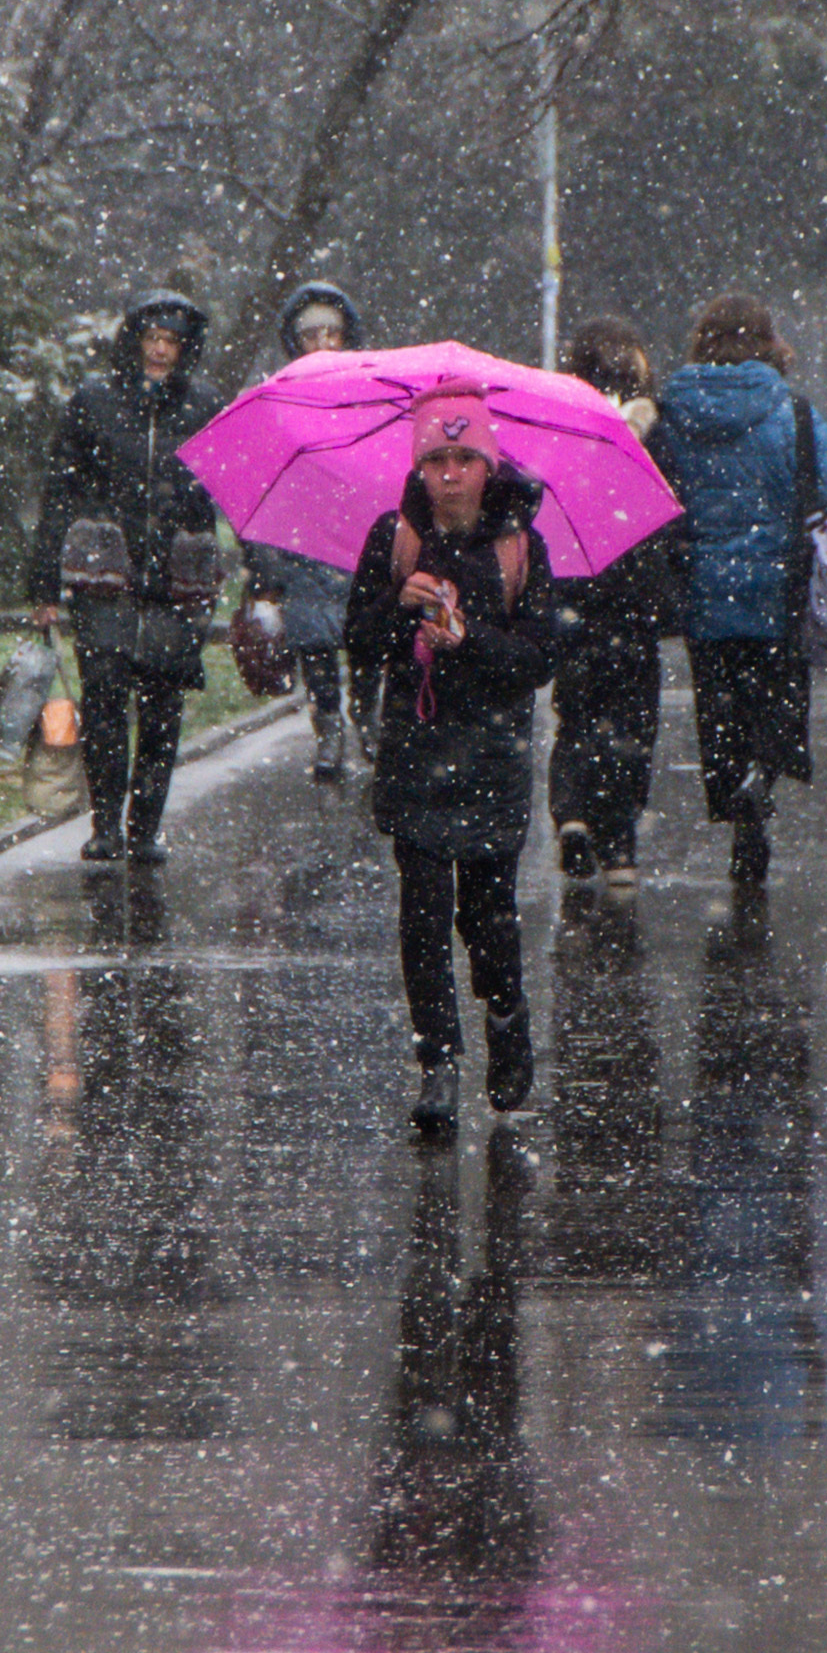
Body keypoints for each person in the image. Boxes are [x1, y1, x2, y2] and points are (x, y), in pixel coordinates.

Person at [345, 384, 572, 1134]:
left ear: (487, 463)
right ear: (418, 464)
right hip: (417, 757)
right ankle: (437, 1060)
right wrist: (399, 607)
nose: (450, 473)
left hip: (492, 762)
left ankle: (506, 1016)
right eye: (436, 458)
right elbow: (360, 641)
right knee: (421, 917)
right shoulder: (396, 538)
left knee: (487, 917)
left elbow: (538, 659)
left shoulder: (519, 547)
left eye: (464, 457)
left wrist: (469, 639)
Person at [652, 291, 827, 893]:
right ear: (768, 341)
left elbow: (654, 495)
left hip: (705, 585)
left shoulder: (673, 411)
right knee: (778, 694)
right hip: (779, 585)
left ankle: (733, 782)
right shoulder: (790, 410)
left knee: (719, 703)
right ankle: (763, 774)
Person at [33, 288, 221, 866]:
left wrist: (261, 579)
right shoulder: (94, 401)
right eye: (152, 339)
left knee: (163, 710)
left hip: (175, 583)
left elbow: (224, 493)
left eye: (171, 341)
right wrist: (43, 586)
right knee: (106, 702)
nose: (160, 351)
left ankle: (144, 830)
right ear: (134, 341)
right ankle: (106, 826)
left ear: (185, 349)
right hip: (104, 576)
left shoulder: (203, 407)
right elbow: (60, 492)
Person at [549, 316, 685, 889]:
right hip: (635, 595)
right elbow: (677, 508)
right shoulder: (654, 427)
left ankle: (573, 814)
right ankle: (620, 842)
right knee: (631, 720)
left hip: (575, 591)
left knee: (576, 712)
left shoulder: (559, 420)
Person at [248, 281, 368, 781]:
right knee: (315, 645)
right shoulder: (277, 400)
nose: (322, 344)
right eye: (311, 334)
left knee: (368, 641)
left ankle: (367, 715)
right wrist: (265, 568)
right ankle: (328, 726)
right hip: (304, 543)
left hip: (360, 539)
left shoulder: (368, 392)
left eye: (332, 333)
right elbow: (262, 485)